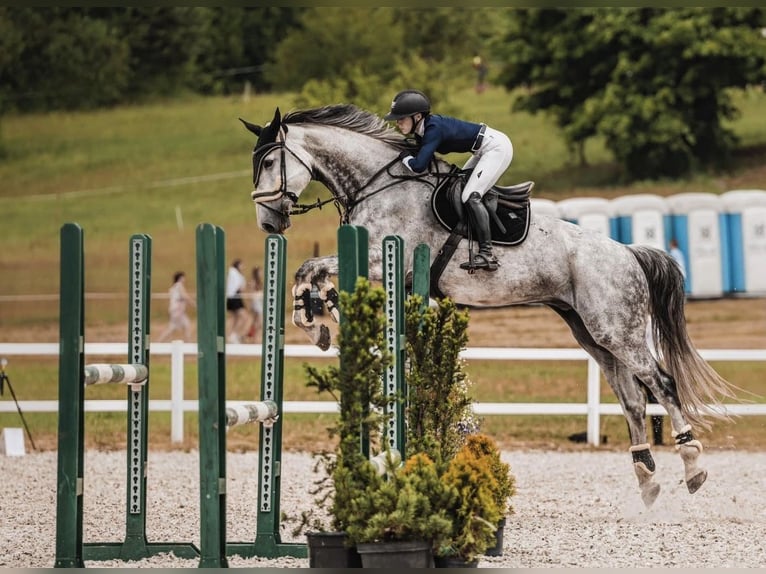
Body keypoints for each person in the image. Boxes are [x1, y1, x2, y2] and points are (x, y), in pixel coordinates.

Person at [384, 89, 513, 271]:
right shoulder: (423, 130)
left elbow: (419, 165)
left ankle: (487, 254)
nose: (397, 123)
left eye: (401, 118)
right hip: (481, 150)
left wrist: (404, 156)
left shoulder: (433, 128)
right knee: (458, 186)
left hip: (496, 148)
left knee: (470, 195)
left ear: (418, 117)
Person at [157, 271, 195, 342]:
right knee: (174, 327)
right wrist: (193, 303)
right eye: (183, 277)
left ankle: (188, 342)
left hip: (175, 310)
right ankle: (159, 342)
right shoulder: (179, 285)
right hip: (177, 310)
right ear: (180, 278)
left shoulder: (174, 287)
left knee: (186, 325)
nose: (185, 279)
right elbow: (184, 296)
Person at [225, 258, 248, 344]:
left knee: (235, 318)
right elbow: (241, 287)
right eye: (241, 265)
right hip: (234, 297)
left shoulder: (234, 273)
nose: (243, 267)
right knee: (244, 317)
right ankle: (235, 334)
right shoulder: (234, 273)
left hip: (233, 297)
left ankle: (231, 335)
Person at [245, 266, 264, 342]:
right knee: (259, 322)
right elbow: (251, 293)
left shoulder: (259, 282)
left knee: (255, 322)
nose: (261, 273)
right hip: (256, 304)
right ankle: (254, 337)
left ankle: (252, 337)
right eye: (260, 272)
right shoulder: (253, 282)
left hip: (259, 303)